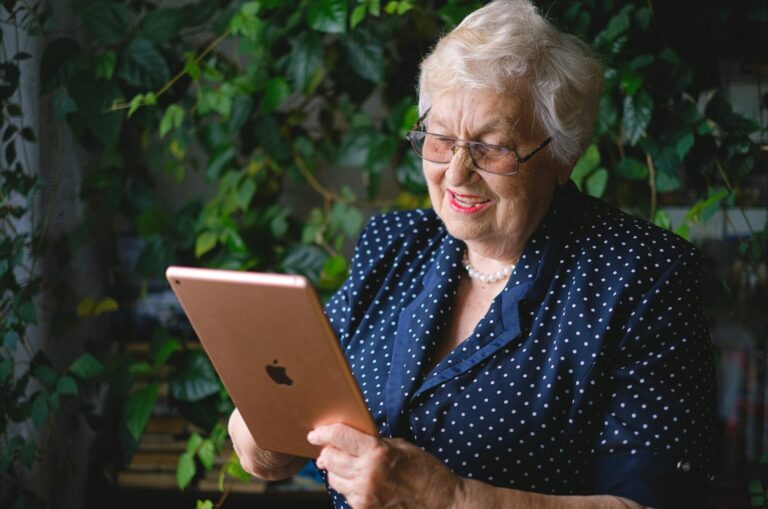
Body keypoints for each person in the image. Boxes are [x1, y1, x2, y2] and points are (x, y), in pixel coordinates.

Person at [228, 0, 717, 507]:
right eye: (439, 139)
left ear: (562, 156)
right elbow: (291, 413)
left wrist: (450, 498)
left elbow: (654, 501)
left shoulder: (641, 277)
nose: (457, 172)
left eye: (493, 147)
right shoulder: (393, 245)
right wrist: (264, 433)